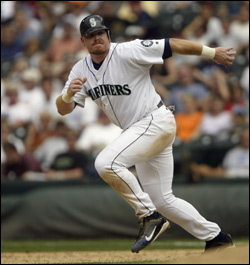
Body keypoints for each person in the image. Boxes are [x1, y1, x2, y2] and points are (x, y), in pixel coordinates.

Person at [56, 15, 236, 253]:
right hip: (140, 131)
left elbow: (173, 44)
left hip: (154, 121)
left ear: (108, 34)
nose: (96, 38)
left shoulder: (129, 50)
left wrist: (212, 53)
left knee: (106, 163)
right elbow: (63, 109)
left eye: (100, 33)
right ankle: (217, 238)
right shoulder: (80, 69)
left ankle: (149, 216)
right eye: (90, 35)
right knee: (163, 200)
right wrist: (68, 95)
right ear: (83, 41)